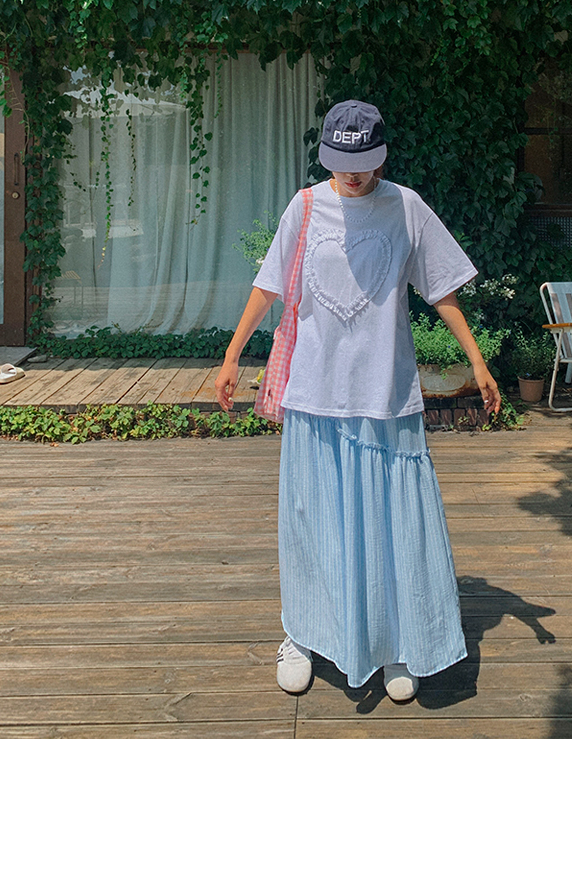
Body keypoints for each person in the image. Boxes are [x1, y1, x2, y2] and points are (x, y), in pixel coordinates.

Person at [214, 98, 501, 704]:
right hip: (314, 395)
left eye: (363, 163)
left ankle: (395, 642)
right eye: (341, 163)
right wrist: (233, 354)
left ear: (382, 156)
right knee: (311, 524)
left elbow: (442, 290)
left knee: (393, 528)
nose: (352, 174)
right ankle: (302, 635)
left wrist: (477, 360)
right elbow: (268, 285)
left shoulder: (406, 207)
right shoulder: (305, 207)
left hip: (384, 395)